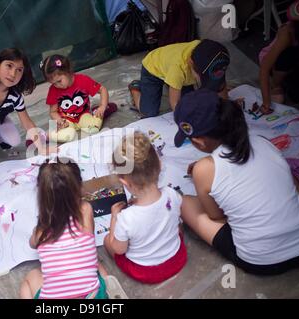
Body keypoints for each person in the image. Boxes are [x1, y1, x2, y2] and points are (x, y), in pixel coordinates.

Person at [174, 89, 299, 275]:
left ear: (198, 142)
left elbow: (216, 216)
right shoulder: (261, 141)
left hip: (264, 260)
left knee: (184, 202)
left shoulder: (203, 169)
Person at [104, 132, 187, 283]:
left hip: (146, 272)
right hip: (177, 259)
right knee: (177, 225)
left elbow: (119, 249)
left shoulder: (126, 218)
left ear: (125, 183)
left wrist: (115, 217)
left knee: (107, 241)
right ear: (159, 166)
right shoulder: (172, 195)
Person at [20, 158, 108, 299]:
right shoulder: (86, 210)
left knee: (31, 277)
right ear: (79, 187)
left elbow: (32, 244)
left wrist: (36, 232)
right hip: (92, 297)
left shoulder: (41, 231)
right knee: (98, 266)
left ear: (42, 195)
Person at [129, 39, 230, 118]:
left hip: (175, 71)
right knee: (149, 112)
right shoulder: (178, 68)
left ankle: (171, 82)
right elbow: (174, 102)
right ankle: (135, 88)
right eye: (204, 78)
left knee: (190, 105)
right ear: (191, 63)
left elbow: (220, 86)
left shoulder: (214, 58)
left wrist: (226, 107)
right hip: (152, 69)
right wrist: (186, 124)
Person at [41, 54, 117, 143]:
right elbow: (53, 111)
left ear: (68, 71)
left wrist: (103, 106)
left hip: (84, 115)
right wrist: (60, 121)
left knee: (94, 129)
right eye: (53, 83)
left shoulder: (83, 80)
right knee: (69, 136)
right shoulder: (53, 90)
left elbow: (102, 89)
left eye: (59, 81)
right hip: (66, 119)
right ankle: (45, 136)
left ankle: (101, 111)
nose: (57, 85)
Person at [258, 0, 299, 114]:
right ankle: (276, 85)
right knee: (287, 57)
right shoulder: (287, 32)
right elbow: (264, 68)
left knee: (297, 93)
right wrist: (266, 102)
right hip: (277, 63)